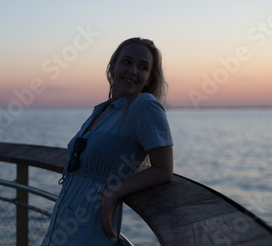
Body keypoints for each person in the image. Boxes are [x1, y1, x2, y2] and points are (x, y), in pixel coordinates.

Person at [41, 37, 174, 246]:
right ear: (112, 68)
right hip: (60, 227)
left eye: (143, 67)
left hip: (89, 232)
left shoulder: (144, 105)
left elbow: (163, 169)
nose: (133, 71)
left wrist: (114, 191)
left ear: (148, 78)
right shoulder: (101, 110)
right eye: (127, 62)